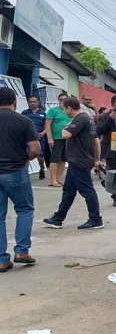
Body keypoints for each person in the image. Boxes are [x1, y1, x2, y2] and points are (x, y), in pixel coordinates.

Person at [43, 97, 102, 230]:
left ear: (69, 108)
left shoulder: (81, 119)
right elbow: (96, 141)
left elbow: (65, 134)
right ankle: (58, 218)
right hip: (78, 160)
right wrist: (97, 159)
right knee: (68, 190)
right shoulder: (88, 119)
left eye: (64, 109)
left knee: (87, 190)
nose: (64, 112)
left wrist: (66, 126)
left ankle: (96, 219)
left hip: (79, 160)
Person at [0, 87, 41, 271]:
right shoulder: (23, 120)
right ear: (15, 102)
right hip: (16, 171)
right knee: (24, 209)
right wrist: (26, 160)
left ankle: (2, 259)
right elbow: (35, 149)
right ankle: (22, 251)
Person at [44, 93, 71, 188]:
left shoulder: (70, 111)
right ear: (58, 100)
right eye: (61, 99)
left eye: (65, 99)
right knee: (55, 159)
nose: (63, 101)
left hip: (67, 138)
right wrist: (49, 138)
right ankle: (53, 180)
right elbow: (47, 124)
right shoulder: (53, 110)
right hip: (56, 138)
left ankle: (58, 178)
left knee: (63, 160)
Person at [21, 96, 47, 180]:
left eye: (34, 101)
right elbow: (21, 123)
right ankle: (25, 173)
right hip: (27, 137)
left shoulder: (43, 113)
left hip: (39, 137)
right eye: (30, 102)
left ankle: (42, 168)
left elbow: (47, 125)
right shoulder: (24, 113)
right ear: (28, 103)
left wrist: (43, 133)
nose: (32, 103)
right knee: (27, 155)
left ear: (37, 103)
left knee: (40, 156)